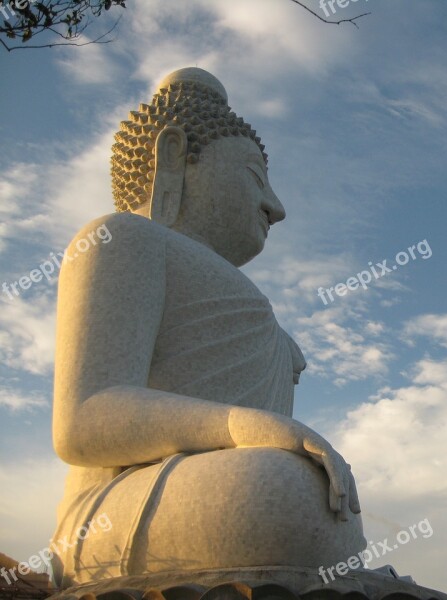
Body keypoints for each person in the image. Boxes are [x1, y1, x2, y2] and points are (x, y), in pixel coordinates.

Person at [51, 68, 365, 587]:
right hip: (114, 502)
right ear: (173, 155)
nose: (276, 207)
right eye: (254, 177)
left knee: (317, 497)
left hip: (210, 489)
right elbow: (84, 419)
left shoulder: (238, 293)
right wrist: (238, 426)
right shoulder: (121, 238)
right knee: (283, 492)